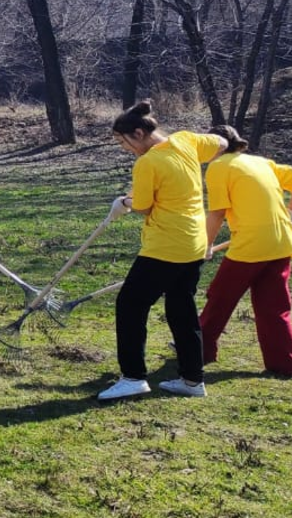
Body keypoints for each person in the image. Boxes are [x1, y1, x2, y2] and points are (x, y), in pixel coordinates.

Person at [99, 100, 226, 401]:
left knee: (130, 305)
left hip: (165, 246)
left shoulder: (148, 163)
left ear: (139, 133)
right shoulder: (186, 140)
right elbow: (221, 143)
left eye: (124, 142)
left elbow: (143, 206)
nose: (126, 149)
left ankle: (133, 377)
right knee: (182, 308)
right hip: (193, 242)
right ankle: (192, 380)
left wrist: (124, 203)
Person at [198, 125, 292, 379]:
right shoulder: (260, 162)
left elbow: (217, 213)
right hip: (280, 242)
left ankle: (198, 351)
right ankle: (287, 365)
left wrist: (205, 246)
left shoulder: (218, 167)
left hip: (250, 245)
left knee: (219, 298)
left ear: (214, 146)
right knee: (274, 307)